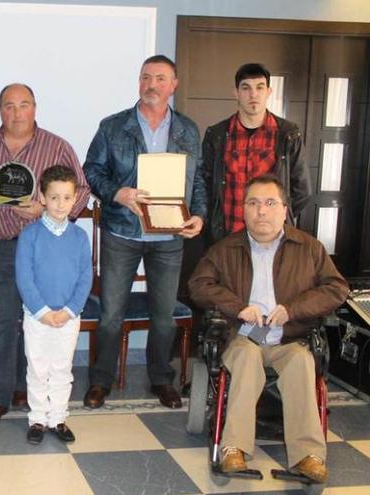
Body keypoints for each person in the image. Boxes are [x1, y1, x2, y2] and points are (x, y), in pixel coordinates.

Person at [189, 174, 347, 484]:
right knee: (247, 358)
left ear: (285, 209)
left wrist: (293, 310)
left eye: (270, 203)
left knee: (302, 362)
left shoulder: (309, 248)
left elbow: (336, 288)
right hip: (242, 337)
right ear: (244, 210)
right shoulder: (225, 249)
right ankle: (233, 449)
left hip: (290, 338)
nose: (261, 211)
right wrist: (237, 307)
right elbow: (198, 285)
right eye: (253, 203)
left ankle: (308, 457)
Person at [83, 55, 206, 409]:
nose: (151, 84)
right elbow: (91, 170)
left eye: (160, 78)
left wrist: (197, 215)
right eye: (145, 77)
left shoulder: (187, 130)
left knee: (164, 315)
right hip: (122, 232)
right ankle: (101, 380)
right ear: (139, 82)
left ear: (173, 85)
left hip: (169, 237)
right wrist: (116, 193)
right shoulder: (112, 126)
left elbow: (197, 179)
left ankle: (160, 379)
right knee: (110, 314)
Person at [0, 83, 90, 424]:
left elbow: (81, 188)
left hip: (48, 247)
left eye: (24, 105)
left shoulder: (56, 146)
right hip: (5, 246)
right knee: (4, 320)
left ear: (35, 108)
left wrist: (45, 209)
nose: (16, 112)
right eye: (9, 105)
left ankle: (26, 389)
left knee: (37, 320)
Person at [15, 165, 93, 445]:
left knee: (62, 368)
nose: (61, 204)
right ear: (43, 198)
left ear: (75, 200)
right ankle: (37, 418)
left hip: (69, 317)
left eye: (67, 198)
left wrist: (71, 310)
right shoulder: (30, 236)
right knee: (37, 367)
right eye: (55, 197)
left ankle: (58, 417)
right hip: (38, 317)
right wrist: (43, 312)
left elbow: (86, 277)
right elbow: (24, 277)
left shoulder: (80, 237)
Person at [202, 63, 310, 245]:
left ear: (269, 92)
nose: (253, 94)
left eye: (260, 87)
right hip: (227, 237)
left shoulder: (288, 134)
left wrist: (275, 216)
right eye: (246, 88)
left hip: (273, 237)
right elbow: (205, 184)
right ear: (236, 93)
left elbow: (302, 190)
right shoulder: (217, 135)